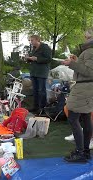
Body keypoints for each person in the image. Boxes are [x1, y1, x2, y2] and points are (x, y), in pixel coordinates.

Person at [62, 28, 93, 163]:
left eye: (87, 37)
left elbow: (89, 71)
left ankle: (81, 152)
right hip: (86, 88)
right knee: (86, 117)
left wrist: (72, 64)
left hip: (84, 88)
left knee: (73, 118)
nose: (84, 39)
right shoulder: (89, 51)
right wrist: (75, 62)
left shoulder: (91, 51)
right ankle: (85, 152)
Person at [25, 35, 52, 114]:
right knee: (35, 90)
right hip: (34, 72)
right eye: (30, 40)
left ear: (37, 40)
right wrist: (28, 59)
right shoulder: (33, 48)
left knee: (41, 90)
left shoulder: (45, 47)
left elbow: (48, 59)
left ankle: (42, 107)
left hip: (41, 72)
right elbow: (32, 58)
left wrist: (37, 59)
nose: (31, 42)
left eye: (32, 40)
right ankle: (35, 106)